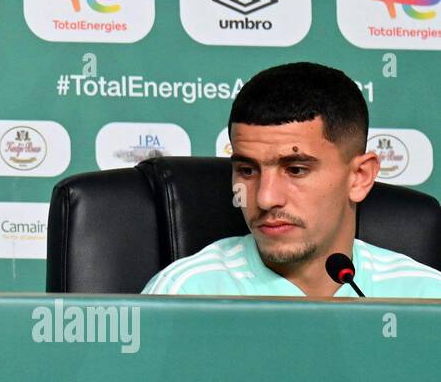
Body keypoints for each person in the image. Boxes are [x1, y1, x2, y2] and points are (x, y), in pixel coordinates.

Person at [143, 62, 441, 298]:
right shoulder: (185, 294)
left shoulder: (427, 298)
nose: (265, 198)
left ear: (359, 177)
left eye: (296, 169)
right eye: (247, 170)